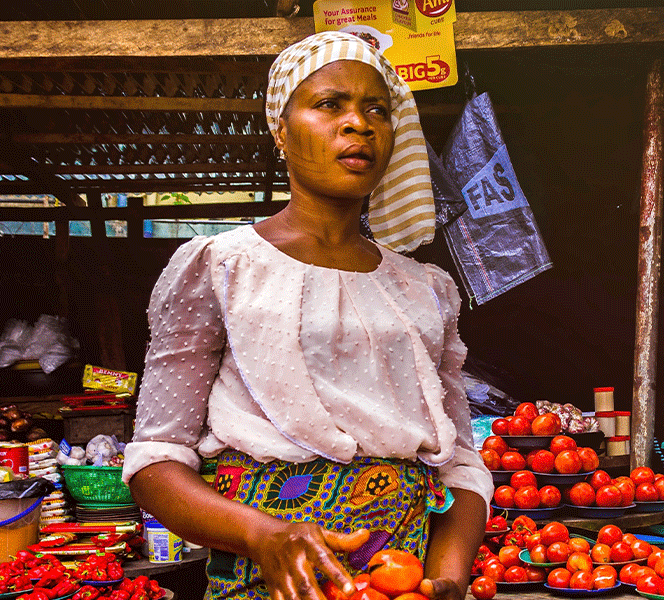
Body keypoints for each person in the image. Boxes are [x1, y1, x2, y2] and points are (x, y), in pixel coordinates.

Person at [123, 31, 493, 600]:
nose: (359, 125)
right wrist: (267, 535)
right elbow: (155, 460)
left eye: (377, 110)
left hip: (400, 582)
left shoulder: (425, 289)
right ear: (281, 129)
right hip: (267, 579)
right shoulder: (220, 266)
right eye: (329, 105)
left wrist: (444, 578)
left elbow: (463, 469)